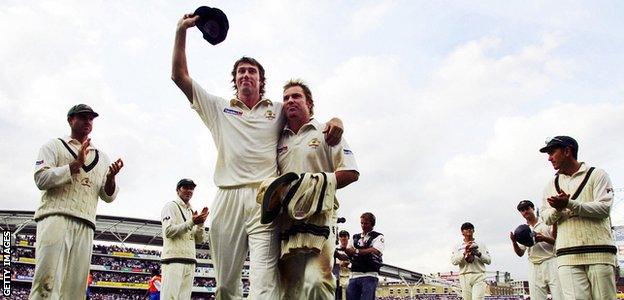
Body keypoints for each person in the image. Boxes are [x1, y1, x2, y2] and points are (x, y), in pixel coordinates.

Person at [171, 13, 343, 300]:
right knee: (225, 286)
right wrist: (181, 31)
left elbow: (307, 117)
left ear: (261, 81)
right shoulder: (218, 108)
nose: (246, 75)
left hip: (265, 199)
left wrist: (337, 119)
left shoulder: (276, 110)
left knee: (264, 285)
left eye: (252, 71)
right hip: (227, 197)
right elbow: (179, 76)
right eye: (241, 72)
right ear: (235, 80)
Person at [276, 80, 359, 299]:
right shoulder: (276, 138)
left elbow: (351, 172)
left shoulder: (327, 132)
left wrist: (311, 187)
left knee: (316, 282)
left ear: (309, 103)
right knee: (290, 290)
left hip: (320, 217)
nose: (290, 101)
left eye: (296, 96)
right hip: (287, 222)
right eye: (286, 98)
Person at [30, 104, 124, 300]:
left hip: (86, 223)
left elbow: (108, 196)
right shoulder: (53, 146)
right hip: (56, 217)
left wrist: (111, 179)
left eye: (91, 118)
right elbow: (41, 179)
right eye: (83, 117)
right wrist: (75, 165)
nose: (88, 122)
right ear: (70, 120)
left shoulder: (101, 157)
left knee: (75, 290)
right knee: (47, 283)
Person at [539, 136, 617, 299]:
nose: (549, 158)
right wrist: (558, 210)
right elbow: (546, 218)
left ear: (567, 151)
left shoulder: (597, 175)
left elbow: (604, 208)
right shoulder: (551, 185)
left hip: (599, 252)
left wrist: (570, 204)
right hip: (567, 256)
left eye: (552, 152)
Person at [160, 179, 208, 299]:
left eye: (191, 188)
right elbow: (168, 231)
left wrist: (200, 224)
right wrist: (192, 222)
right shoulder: (171, 206)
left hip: (190, 261)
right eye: (185, 187)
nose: (189, 190)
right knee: (169, 297)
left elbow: (199, 240)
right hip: (173, 260)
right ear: (178, 190)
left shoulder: (191, 211)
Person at [510, 200, 562, 300]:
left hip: (551, 260)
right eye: (522, 210)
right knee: (536, 297)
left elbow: (557, 243)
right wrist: (514, 242)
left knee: (559, 295)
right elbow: (520, 253)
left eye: (527, 208)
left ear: (533, 208)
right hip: (534, 264)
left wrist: (543, 238)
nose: (525, 211)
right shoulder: (523, 229)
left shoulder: (546, 222)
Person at [343, 213, 384, 300]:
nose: (363, 225)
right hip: (354, 275)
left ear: (372, 224)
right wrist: (344, 249)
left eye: (366, 223)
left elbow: (376, 251)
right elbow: (350, 251)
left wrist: (357, 251)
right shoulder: (355, 237)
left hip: (370, 274)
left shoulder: (378, 236)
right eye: (362, 223)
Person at [451, 222, 491, 300]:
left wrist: (479, 254)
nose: (469, 229)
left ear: (474, 230)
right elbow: (454, 261)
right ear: (462, 232)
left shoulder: (480, 244)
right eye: (466, 228)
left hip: (479, 274)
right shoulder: (458, 246)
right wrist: (464, 253)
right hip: (464, 276)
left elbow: (488, 261)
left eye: (471, 228)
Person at [334, 230, 352, 300]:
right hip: (339, 277)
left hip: (350, 276)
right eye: (341, 236)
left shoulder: (352, 249)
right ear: (339, 238)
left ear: (348, 238)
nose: (343, 238)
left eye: (345, 236)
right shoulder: (336, 250)